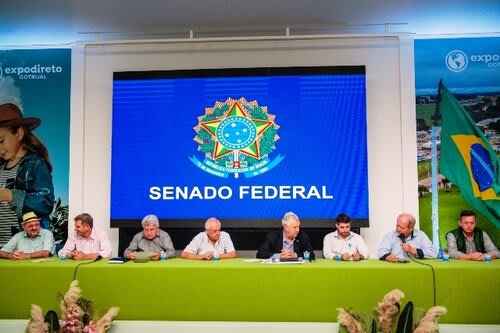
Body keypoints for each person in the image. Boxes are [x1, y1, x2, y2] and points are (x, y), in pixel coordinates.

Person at [0, 103, 54, 247]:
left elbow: (45, 203)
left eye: (1, 140)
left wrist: (11, 196)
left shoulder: (36, 163)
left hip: (24, 247)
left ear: (19, 133)